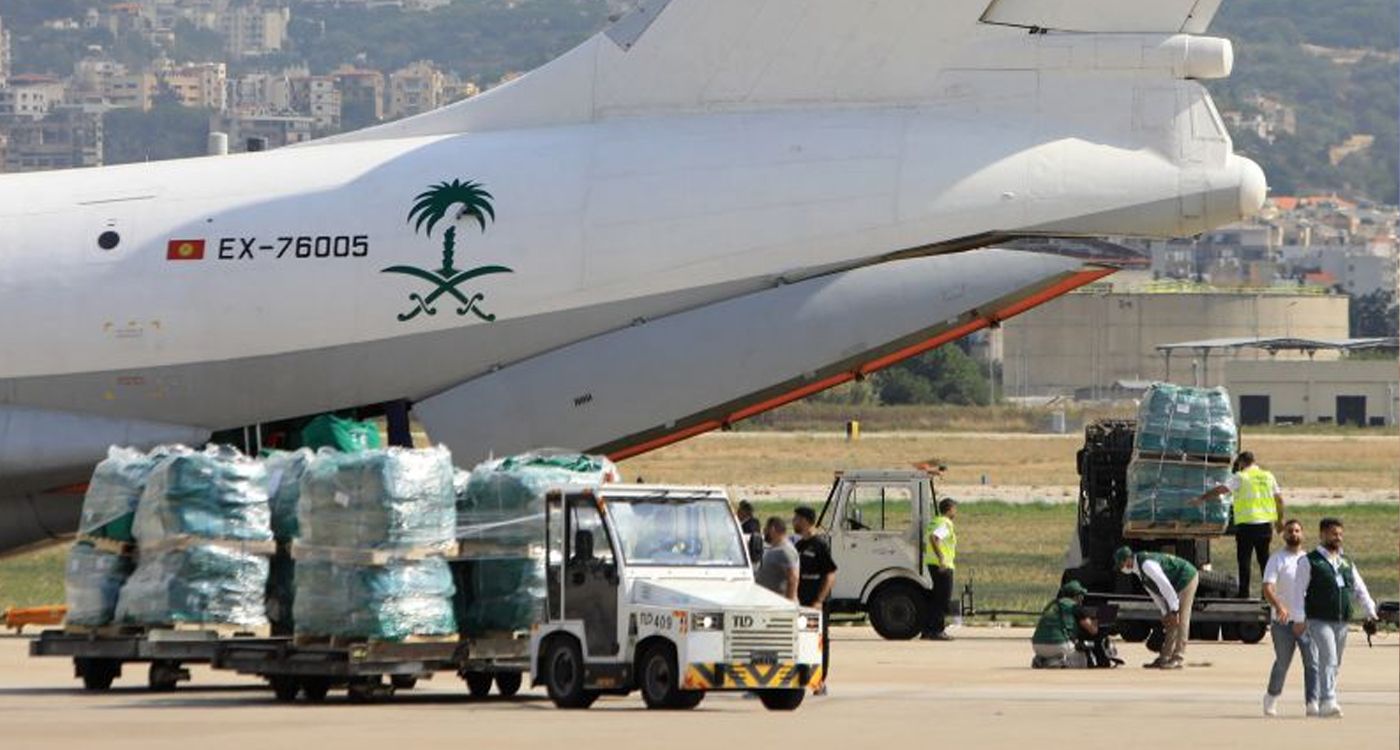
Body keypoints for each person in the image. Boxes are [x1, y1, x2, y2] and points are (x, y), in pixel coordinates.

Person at [1288, 518, 1379, 718]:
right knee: (1328, 656)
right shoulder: (1309, 561)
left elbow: (1359, 589)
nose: (1337, 538)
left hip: (1341, 621)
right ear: (1322, 535)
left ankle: (1322, 700)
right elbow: (1298, 592)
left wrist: (1370, 611)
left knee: (1335, 661)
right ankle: (1329, 700)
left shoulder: (1346, 562)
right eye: (1333, 534)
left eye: (1340, 534)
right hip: (1317, 619)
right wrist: (1299, 618)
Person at [1198, 451, 1284, 598]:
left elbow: (1222, 490)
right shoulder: (1268, 476)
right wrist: (1279, 520)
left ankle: (1244, 593)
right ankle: (1267, 594)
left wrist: (1202, 498)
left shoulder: (1241, 477)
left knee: (1244, 561)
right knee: (1264, 561)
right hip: (1264, 525)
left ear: (1242, 463)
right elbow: (1279, 500)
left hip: (1247, 526)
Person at [1260, 518, 1318, 717]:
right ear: (1284, 535)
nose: (1293, 534)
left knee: (1312, 662)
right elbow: (1267, 587)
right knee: (1283, 662)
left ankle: (1312, 702)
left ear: (1302, 534)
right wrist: (1279, 606)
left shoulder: (1309, 560)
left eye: (1297, 531)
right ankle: (1271, 696)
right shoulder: (1277, 559)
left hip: (1305, 621)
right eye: (1290, 531)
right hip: (1282, 622)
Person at [1116, 546, 1198, 669]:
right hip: (1173, 584)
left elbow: (1164, 585)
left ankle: (1178, 658)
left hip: (1186, 578)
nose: (1121, 567)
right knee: (1170, 622)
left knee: (1181, 619)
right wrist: (1165, 613)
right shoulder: (1139, 571)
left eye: (1121, 563)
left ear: (1128, 559)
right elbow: (1155, 594)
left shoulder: (1146, 565)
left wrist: (1174, 610)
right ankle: (1165, 657)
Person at [793, 506, 836, 695]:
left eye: (796, 518)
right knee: (799, 641)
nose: (793, 521)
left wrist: (820, 599)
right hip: (800, 602)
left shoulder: (819, 545)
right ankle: (800, 677)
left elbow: (831, 573)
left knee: (820, 641)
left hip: (816, 603)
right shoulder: (799, 547)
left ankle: (819, 681)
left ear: (805, 521)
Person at [1031, 581, 1099, 669]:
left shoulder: (1051, 605)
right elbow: (1093, 630)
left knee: (1057, 648)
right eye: (1081, 595)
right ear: (1077, 596)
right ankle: (1057, 662)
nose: (1082, 598)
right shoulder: (1075, 607)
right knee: (1083, 659)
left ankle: (1041, 659)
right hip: (1058, 645)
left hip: (1037, 646)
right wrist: (1097, 619)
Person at [922, 498, 958, 641]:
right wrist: (942, 558)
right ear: (949, 509)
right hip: (942, 565)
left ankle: (927, 630)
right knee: (942, 599)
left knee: (934, 598)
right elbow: (934, 538)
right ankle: (937, 630)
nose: (956, 512)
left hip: (931, 563)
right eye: (955, 509)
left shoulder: (934, 521)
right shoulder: (946, 523)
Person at [755, 517, 799, 601]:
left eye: (765, 529)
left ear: (772, 529)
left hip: (780, 603)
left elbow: (793, 578)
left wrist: (789, 604)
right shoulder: (774, 549)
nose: (763, 532)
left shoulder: (785, 550)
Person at [736, 500, 763, 564]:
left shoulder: (748, 526)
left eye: (739, 510)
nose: (737, 513)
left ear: (744, 512)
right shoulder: (755, 522)